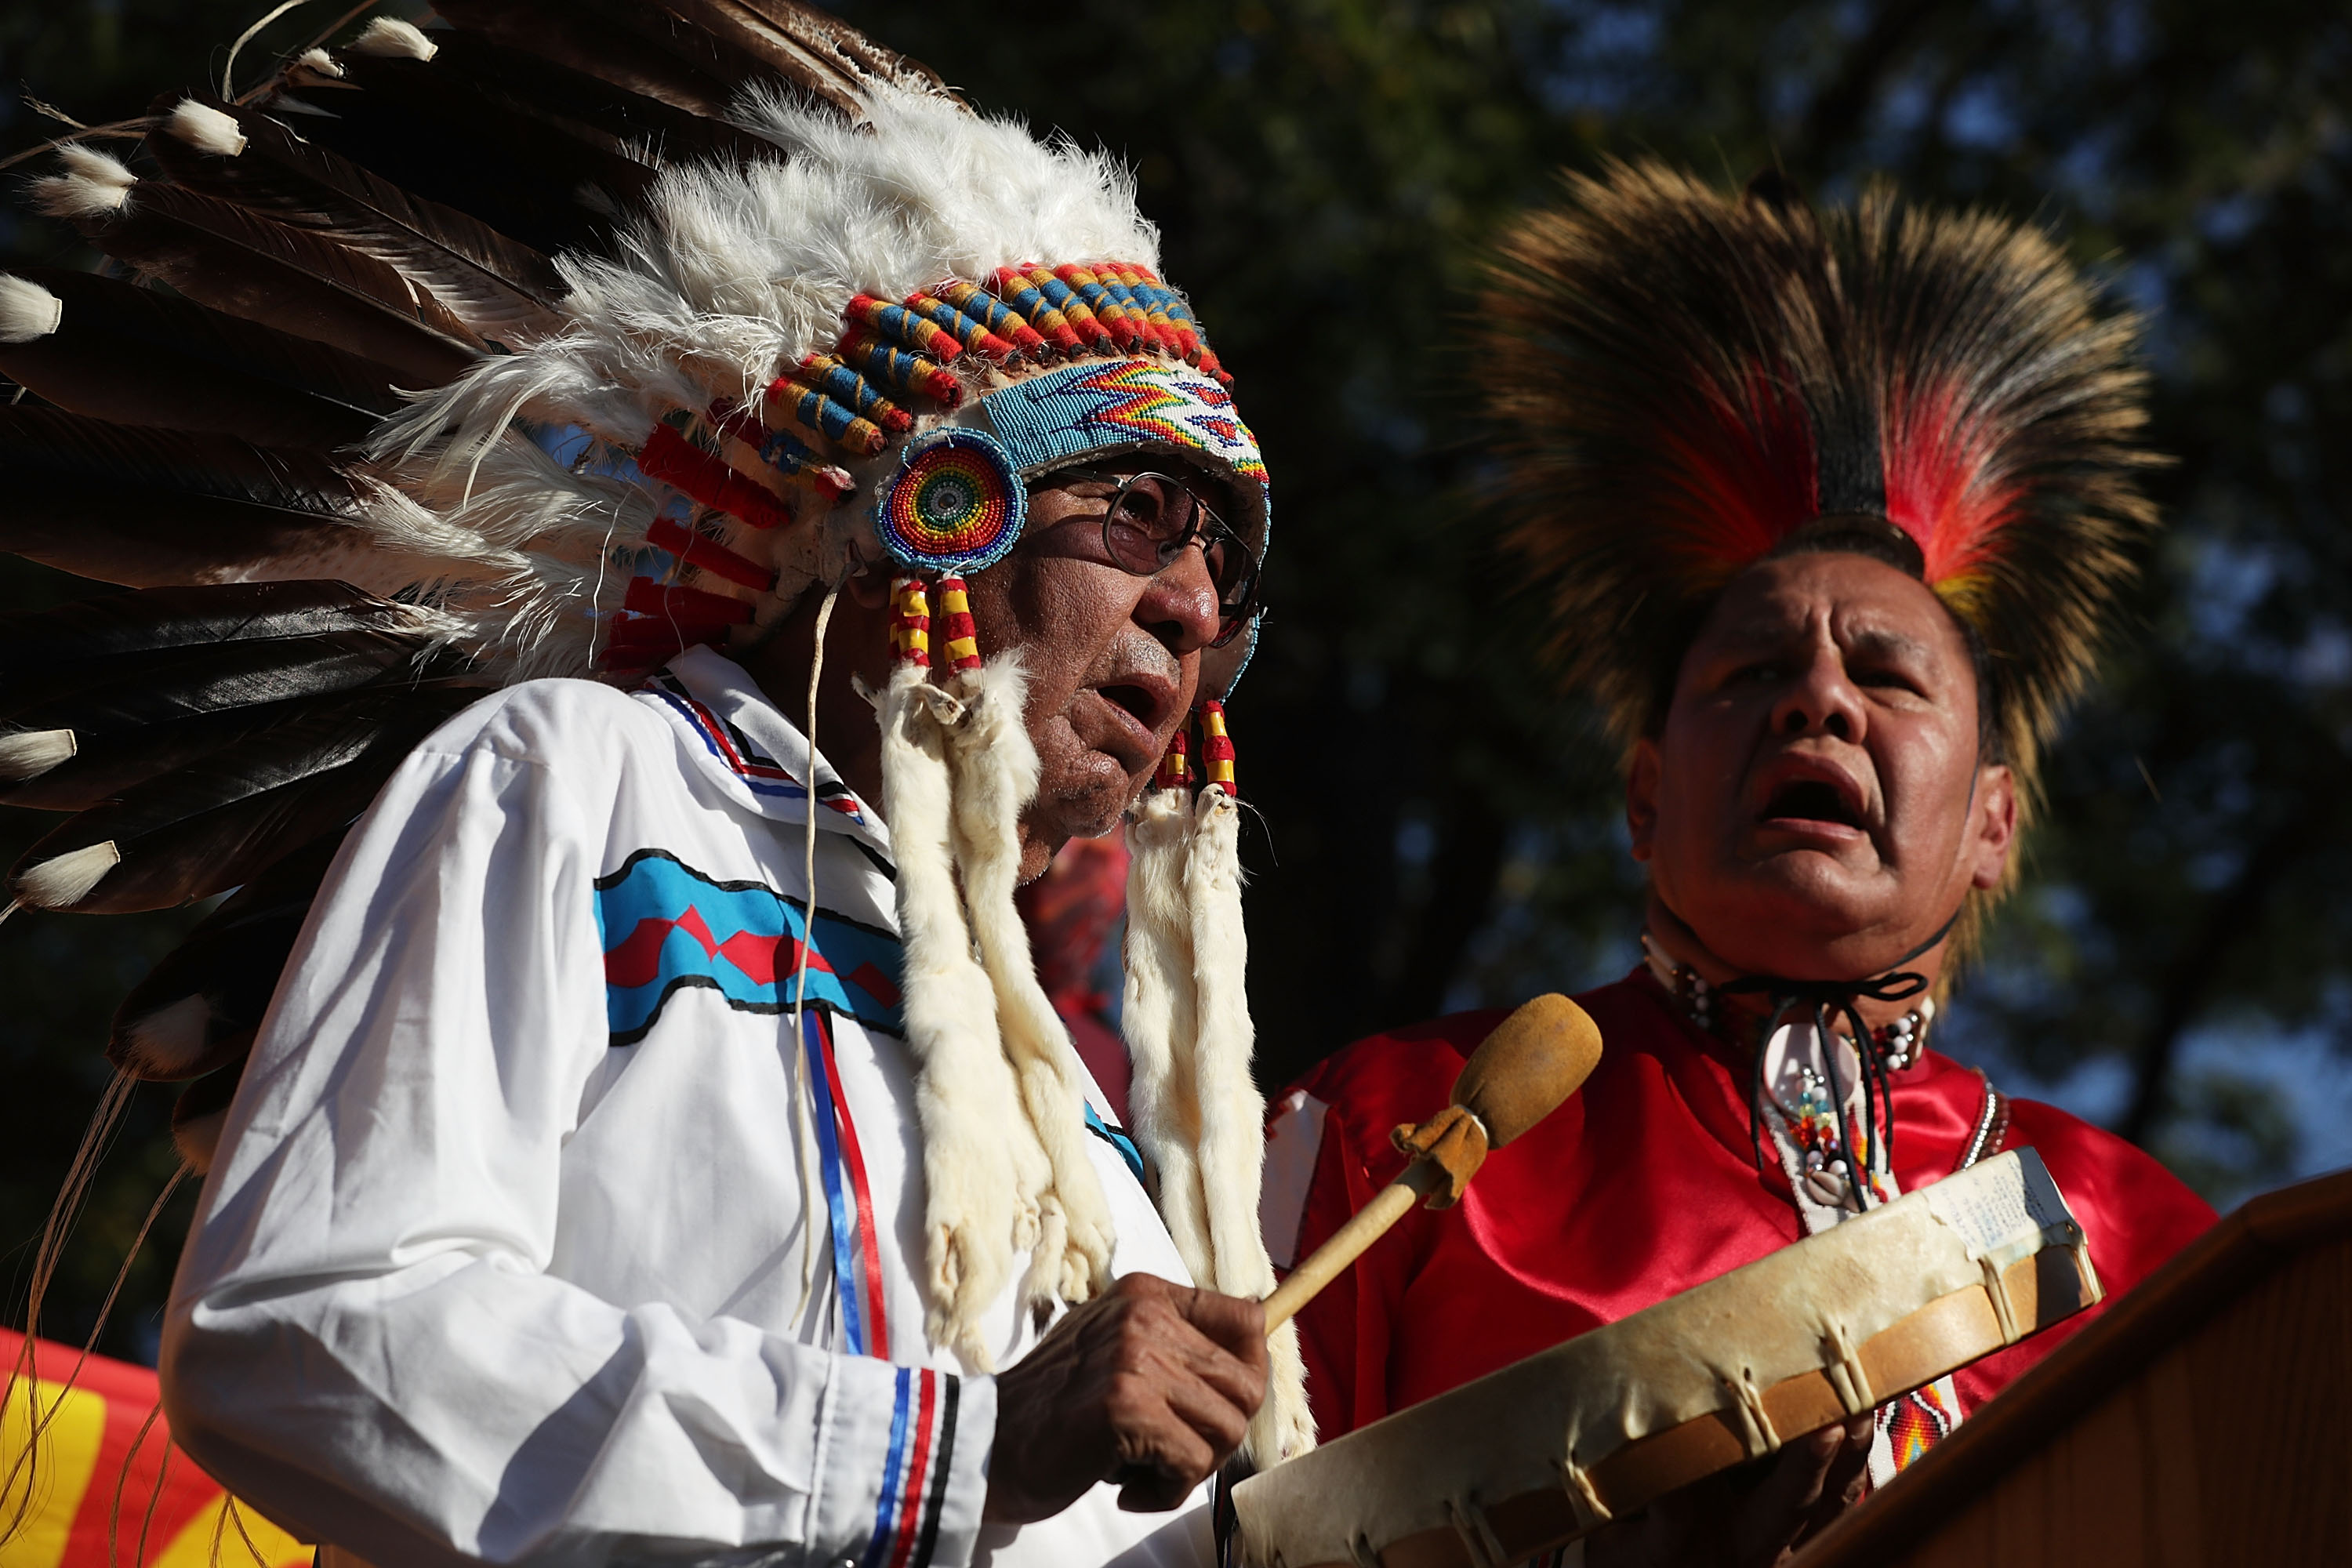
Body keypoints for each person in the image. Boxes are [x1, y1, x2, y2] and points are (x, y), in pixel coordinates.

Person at [0, 5, 1309, 1564]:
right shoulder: (578, 781)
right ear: (920, 504)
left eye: (1225, 570)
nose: (1194, 606)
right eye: (1141, 506)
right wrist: (955, 1449)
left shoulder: (1061, 1100)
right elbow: (313, 1331)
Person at [1260, 163, 2218, 1564]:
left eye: (1888, 676)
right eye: (1753, 669)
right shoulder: (1402, 1135)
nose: (1816, 701)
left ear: (1994, 822)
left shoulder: (2143, 1238)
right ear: (1647, 797)